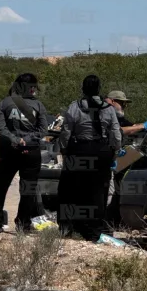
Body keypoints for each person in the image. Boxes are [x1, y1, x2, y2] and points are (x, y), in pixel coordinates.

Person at [57, 75, 121, 242]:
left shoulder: (75, 107)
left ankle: (68, 228)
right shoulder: (108, 108)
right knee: (98, 193)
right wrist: (114, 153)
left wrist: (64, 151)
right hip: (101, 152)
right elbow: (116, 134)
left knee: (70, 190)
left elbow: (65, 131)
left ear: (83, 88)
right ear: (99, 89)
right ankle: (93, 231)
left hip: (79, 150)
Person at [0, 73, 49, 235]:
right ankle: (23, 224)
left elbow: (1, 128)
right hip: (31, 152)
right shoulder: (38, 106)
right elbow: (43, 130)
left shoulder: (6, 103)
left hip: (9, 151)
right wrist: (27, 139)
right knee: (28, 190)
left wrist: (16, 139)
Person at [103, 90, 147, 227]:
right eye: (121, 103)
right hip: (104, 163)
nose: (124, 106)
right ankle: (104, 226)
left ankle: (112, 224)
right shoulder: (104, 115)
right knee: (107, 197)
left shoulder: (118, 117)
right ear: (111, 101)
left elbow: (129, 127)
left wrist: (141, 126)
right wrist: (143, 126)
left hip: (118, 165)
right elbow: (119, 131)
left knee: (114, 196)